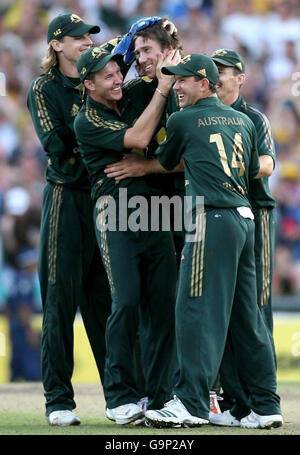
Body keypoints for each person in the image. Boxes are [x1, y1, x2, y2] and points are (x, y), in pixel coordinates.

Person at [144, 53, 283, 429]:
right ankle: (266, 406)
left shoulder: (182, 119)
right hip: (245, 220)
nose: (177, 88)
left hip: (211, 219)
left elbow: (166, 157)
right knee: (247, 319)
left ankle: (190, 403)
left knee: (196, 311)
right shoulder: (244, 119)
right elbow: (256, 166)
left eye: (183, 81)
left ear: (204, 83)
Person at [74, 46, 180, 425]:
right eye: (107, 77)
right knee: (127, 302)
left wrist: (159, 46)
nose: (118, 79)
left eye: (118, 72)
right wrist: (163, 90)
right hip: (115, 214)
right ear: (88, 85)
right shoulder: (87, 120)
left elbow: (159, 72)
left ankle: (161, 395)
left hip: (159, 211)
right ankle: (119, 396)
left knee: (164, 305)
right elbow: (137, 137)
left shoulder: (133, 90)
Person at [27, 13, 112, 426]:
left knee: (106, 302)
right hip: (65, 197)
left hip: (101, 198)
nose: (86, 42)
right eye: (78, 37)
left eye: (88, 37)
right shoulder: (45, 87)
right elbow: (56, 145)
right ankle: (58, 400)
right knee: (60, 302)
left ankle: (120, 396)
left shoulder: (97, 81)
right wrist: (99, 137)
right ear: (57, 44)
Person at [209, 48, 277, 426]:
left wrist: (233, 168)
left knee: (257, 306)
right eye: (214, 70)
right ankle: (237, 400)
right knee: (227, 309)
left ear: (241, 78)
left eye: (225, 71)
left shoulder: (254, 118)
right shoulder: (202, 117)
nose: (218, 77)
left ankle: (262, 397)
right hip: (222, 218)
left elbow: (267, 163)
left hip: (257, 215)